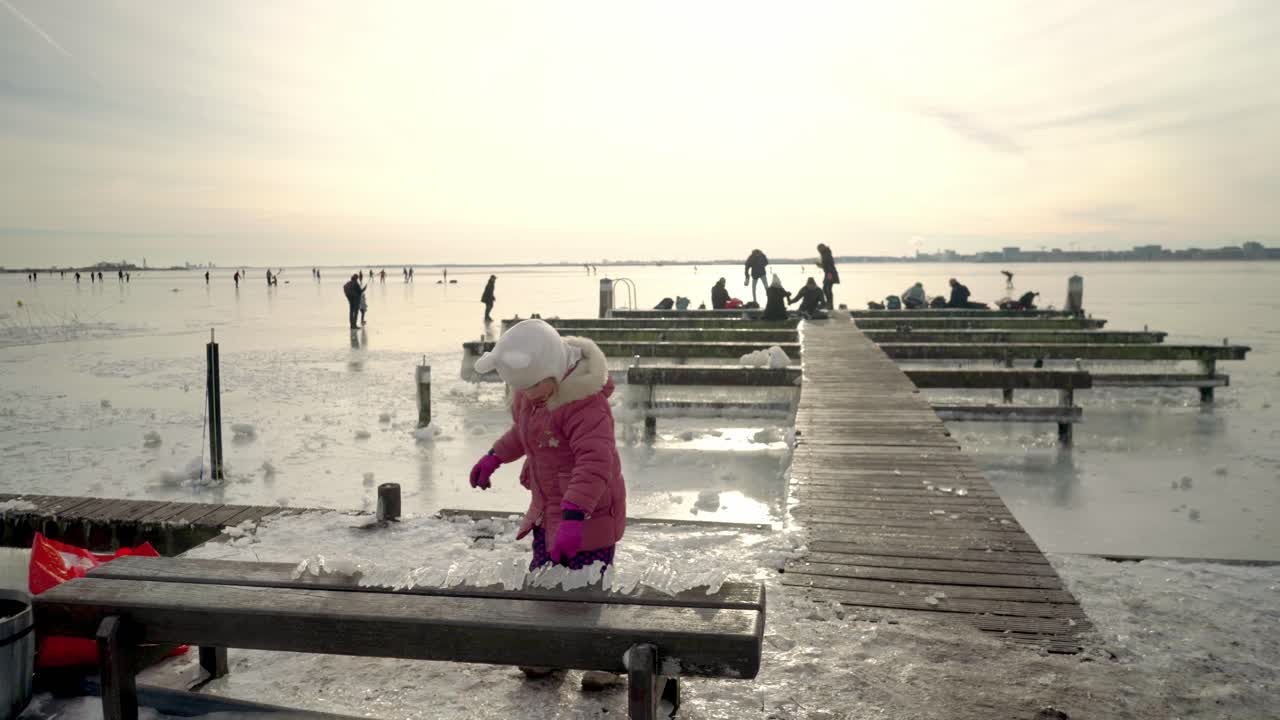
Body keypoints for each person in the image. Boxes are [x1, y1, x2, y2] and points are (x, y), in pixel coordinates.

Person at [468, 319, 626, 689]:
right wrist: (494, 457)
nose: (524, 394)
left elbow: (595, 463)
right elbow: (523, 432)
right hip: (547, 510)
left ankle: (605, 659)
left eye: (530, 386)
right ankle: (551, 652)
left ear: (551, 372)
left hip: (590, 513)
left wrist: (575, 516)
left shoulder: (586, 406)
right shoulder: (532, 393)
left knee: (588, 589)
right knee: (547, 581)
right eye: (517, 387)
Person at [816, 243, 840, 309]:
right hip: (828, 273)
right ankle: (829, 303)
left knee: (827, 288)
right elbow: (826, 265)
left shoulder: (826, 254)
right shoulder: (825, 254)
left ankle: (829, 304)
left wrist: (829, 275)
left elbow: (829, 264)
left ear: (822, 248)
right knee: (826, 288)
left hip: (830, 273)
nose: (818, 251)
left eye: (819, 249)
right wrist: (821, 266)